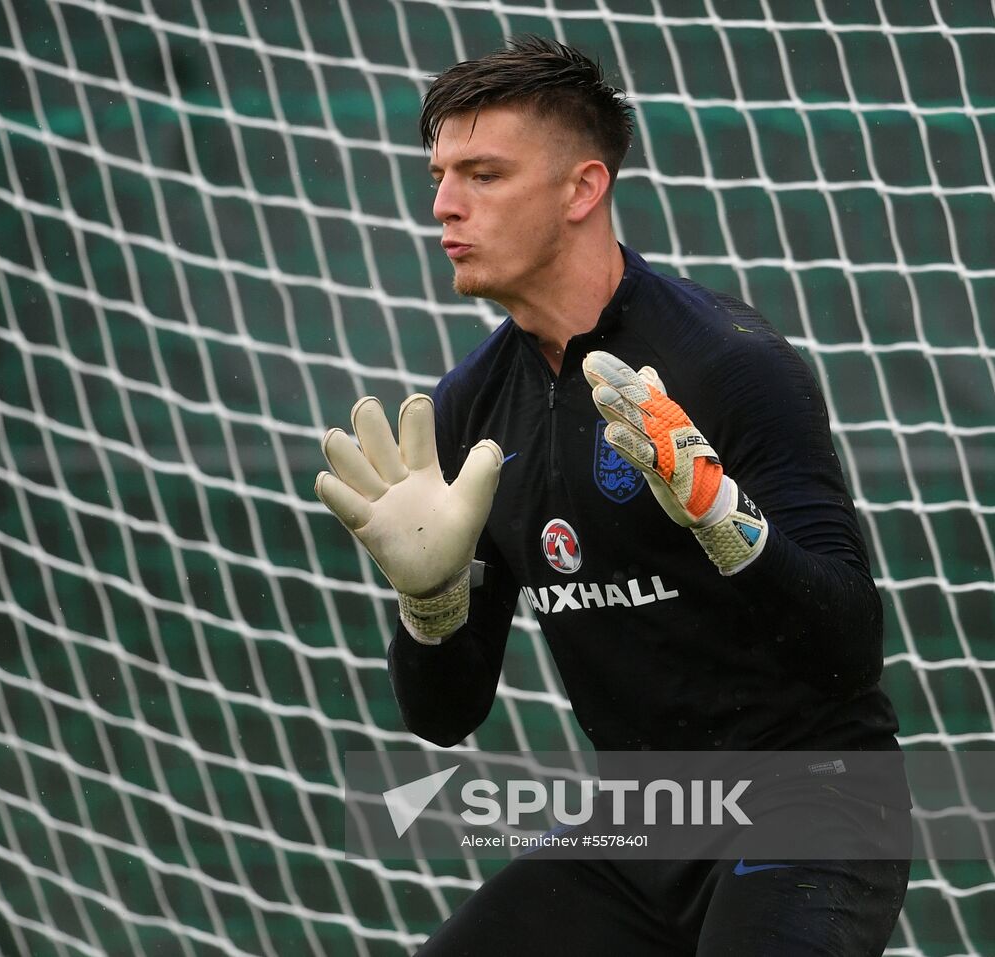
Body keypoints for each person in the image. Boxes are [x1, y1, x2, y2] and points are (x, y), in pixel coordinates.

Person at [314, 35, 909, 955]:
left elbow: (849, 650)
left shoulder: (729, 363)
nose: (442, 204)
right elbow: (444, 715)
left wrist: (725, 521)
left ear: (582, 190)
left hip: (815, 805)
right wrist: (430, 605)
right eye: (438, 175)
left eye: (482, 173)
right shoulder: (469, 409)